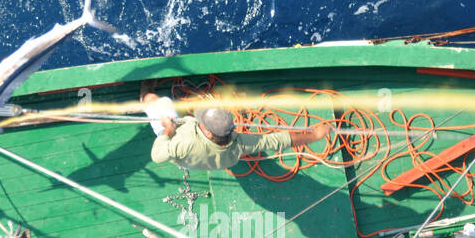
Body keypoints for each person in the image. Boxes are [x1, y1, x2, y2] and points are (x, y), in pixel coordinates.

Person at [141, 82, 332, 172]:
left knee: (156, 101)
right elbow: (280, 140)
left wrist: (167, 130)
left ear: (207, 131)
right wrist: (315, 135)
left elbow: (157, 156)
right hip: (217, 161)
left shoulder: (184, 143)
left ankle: (145, 90)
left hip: (181, 144)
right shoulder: (239, 142)